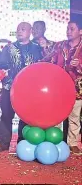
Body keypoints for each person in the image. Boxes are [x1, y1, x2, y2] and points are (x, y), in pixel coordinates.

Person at [0, 22, 43, 153]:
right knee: (6, 116)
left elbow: (41, 68)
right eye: (18, 29)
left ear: (30, 31)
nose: (19, 31)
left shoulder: (37, 48)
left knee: (26, 117)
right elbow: (1, 66)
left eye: (23, 29)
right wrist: (4, 72)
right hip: (10, 88)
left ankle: (22, 143)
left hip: (29, 89)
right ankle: (4, 144)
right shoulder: (9, 48)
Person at [50, 20, 82, 154]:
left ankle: (72, 143)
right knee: (57, 115)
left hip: (77, 88)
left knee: (74, 117)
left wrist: (79, 66)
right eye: (67, 29)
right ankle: (55, 140)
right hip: (60, 87)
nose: (68, 31)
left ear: (80, 31)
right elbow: (51, 60)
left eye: (72, 29)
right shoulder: (60, 45)